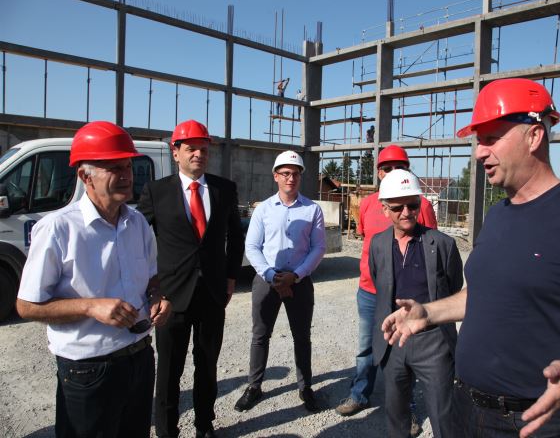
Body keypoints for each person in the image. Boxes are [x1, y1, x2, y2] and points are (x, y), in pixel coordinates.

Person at [382, 78, 560, 438]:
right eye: (478, 141)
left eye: (491, 138)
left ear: (534, 135)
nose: (479, 153)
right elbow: (485, 294)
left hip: (533, 419)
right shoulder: (498, 215)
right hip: (464, 405)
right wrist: (428, 313)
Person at [16, 121, 172, 437]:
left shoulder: (137, 223)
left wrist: (158, 297)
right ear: (85, 176)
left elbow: (152, 278)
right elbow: (27, 306)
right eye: (115, 168)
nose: (127, 175)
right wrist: (90, 307)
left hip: (140, 358)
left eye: (128, 166)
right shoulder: (58, 229)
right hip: (88, 370)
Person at [137, 119, 245, 438]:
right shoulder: (157, 192)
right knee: (169, 370)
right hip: (171, 297)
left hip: (212, 293)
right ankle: (167, 430)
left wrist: (230, 278)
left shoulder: (225, 189)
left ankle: (204, 425)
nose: (199, 154)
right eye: (191, 148)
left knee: (207, 365)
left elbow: (235, 237)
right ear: (176, 153)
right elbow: (137, 242)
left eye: (204, 149)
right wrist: (152, 286)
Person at [336, 145, 437, 430]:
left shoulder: (421, 205)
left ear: (408, 170)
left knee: (406, 351)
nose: (392, 172)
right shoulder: (369, 204)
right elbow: (366, 239)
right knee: (366, 347)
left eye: (399, 167)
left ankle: (407, 408)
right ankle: (360, 394)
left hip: (405, 295)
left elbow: (432, 246)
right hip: (370, 291)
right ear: (379, 172)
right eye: (386, 168)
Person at [370, 169, 463, 437]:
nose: (406, 212)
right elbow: (379, 284)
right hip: (393, 340)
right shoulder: (378, 244)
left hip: (434, 342)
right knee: (396, 414)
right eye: (397, 207)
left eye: (412, 205)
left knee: (443, 416)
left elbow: (454, 287)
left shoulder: (443, 244)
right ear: (385, 209)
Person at [234, 150, 326, 413]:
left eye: (295, 174)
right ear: (275, 176)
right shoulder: (263, 209)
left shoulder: (312, 210)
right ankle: (254, 386)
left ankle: (305, 387)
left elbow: (318, 248)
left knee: (302, 337)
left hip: (299, 281)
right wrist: (270, 275)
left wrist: (296, 275)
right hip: (267, 280)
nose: (290, 178)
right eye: (285, 173)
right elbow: (252, 246)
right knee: (260, 335)